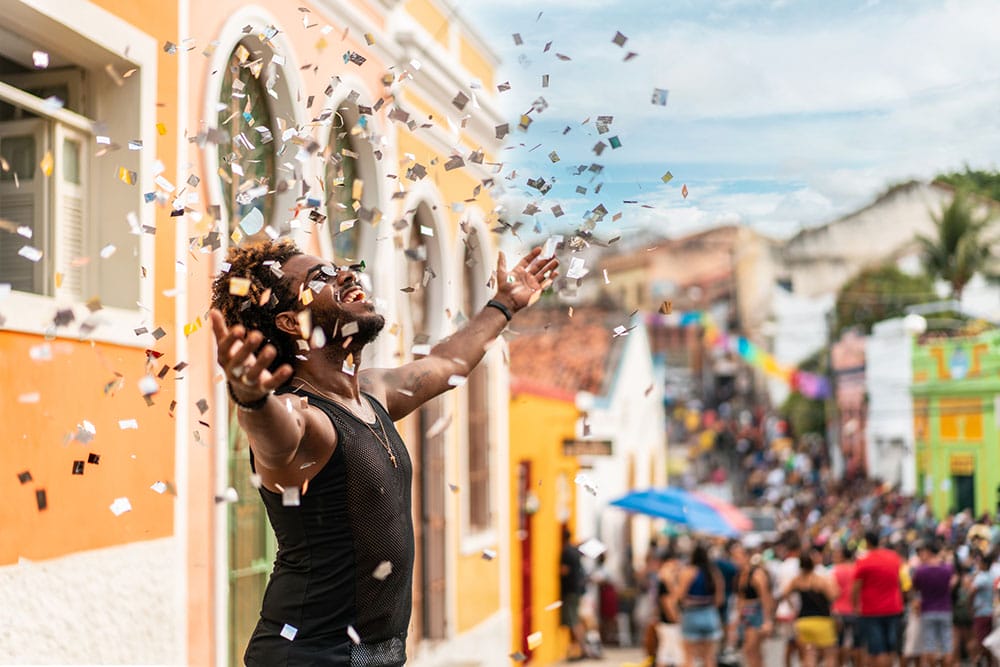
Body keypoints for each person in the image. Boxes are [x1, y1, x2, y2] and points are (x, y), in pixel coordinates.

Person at [210, 240, 557, 666]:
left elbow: (448, 363)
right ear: (289, 321)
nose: (346, 274)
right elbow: (275, 438)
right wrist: (250, 398)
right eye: (319, 277)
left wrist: (504, 304)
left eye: (339, 266)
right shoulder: (302, 415)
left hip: (377, 657)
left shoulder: (373, 393)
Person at [853, 530, 905, 667]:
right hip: (893, 608)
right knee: (890, 649)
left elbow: (856, 587)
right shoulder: (894, 557)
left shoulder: (864, 561)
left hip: (871, 611)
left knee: (877, 650)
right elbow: (900, 581)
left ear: (867, 542)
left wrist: (855, 606)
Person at [779, 552, 839, 667]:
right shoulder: (820, 580)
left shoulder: (797, 580)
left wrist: (793, 608)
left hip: (803, 621)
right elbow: (833, 595)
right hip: (822, 620)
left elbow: (785, 593)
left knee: (809, 654)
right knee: (829, 654)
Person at [678, 543, 725, 667]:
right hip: (709, 614)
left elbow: (680, 596)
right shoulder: (714, 572)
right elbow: (720, 599)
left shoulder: (688, 571)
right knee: (709, 657)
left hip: (691, 615)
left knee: (689, 657)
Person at [912, 541, 955, 667]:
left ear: (928, 552)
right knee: (947, 645)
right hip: (945, 609)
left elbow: (915, 588)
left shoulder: (921, 570)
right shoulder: (948, 568)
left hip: (927, 610)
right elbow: (951, 584)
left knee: (929, 645)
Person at [731, 543, 773, 667]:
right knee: (752, 651)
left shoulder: (756, 574)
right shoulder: (739, 575)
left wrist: (767, 620)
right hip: (746, 613)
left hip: (757, 612)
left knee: (750, 649)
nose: (735, 560)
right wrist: (737, 618)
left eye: (738, 557)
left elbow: (766, 597)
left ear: (746, 556)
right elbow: (740, 598)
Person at [561, 527, 593, 660]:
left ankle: (582, 648)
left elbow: (564, 571)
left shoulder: (566, 552)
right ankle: (580, 648)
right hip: (577, 590)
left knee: (573, 620)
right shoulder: (574, 551)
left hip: (570, 591)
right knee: (576, 619)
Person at [831, 543, 861, 667]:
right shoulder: (858, 569)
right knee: (857, 644)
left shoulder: (836, 570)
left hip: (839, 611)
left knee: (839, 643)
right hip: (856, 610)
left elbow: (833, 592)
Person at [655, 550, 684, 667]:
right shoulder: (664, 583)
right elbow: (667, 602)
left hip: (667, 622)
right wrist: (676, 618)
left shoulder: (666, 583)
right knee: (674, 654)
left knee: (665, 652)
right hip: (669, 622)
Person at [969, 550, 997, 666]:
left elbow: (971, 592)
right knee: (988, 640)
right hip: (990, 612)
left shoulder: (981, 578)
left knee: (981, 641)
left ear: (984, 565)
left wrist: (970, 606)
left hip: (981, 613)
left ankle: (978, 658)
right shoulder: (992, 576)